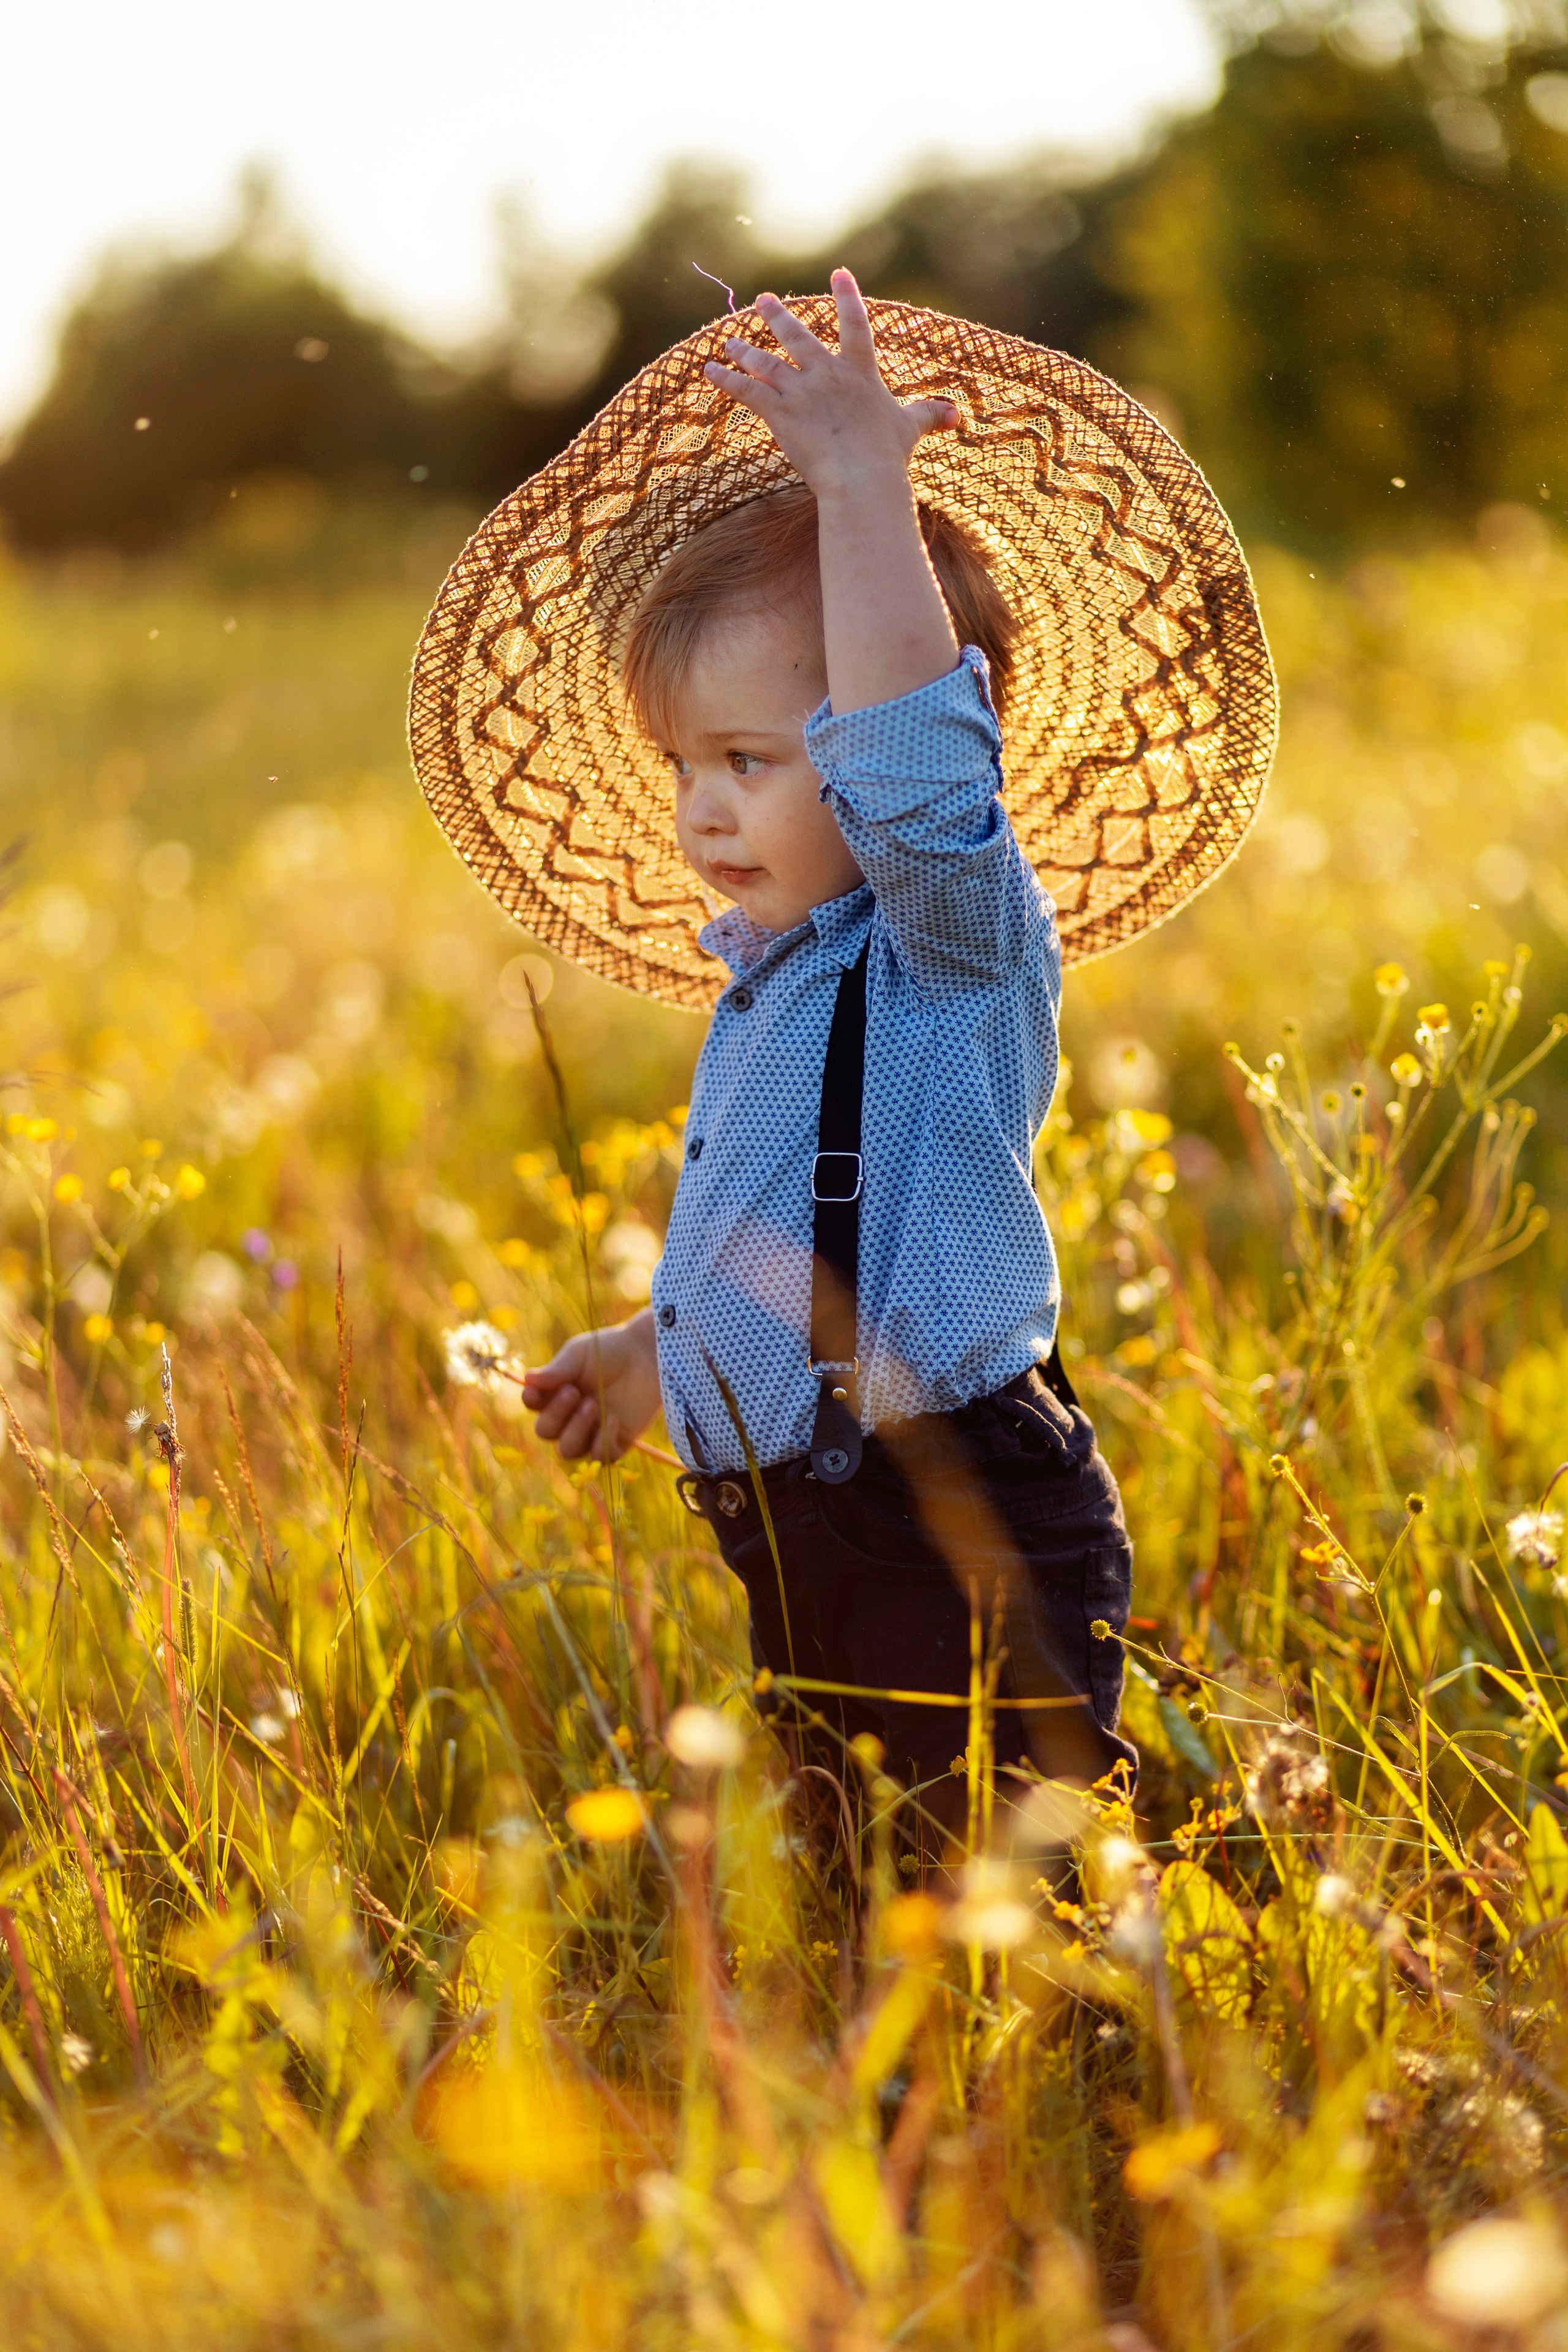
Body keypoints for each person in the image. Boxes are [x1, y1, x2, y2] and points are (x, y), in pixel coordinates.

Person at [407, 269, 1276, 1832]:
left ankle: (1108, 2012)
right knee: (860, 1860)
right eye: (685, 764)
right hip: (802, 1530)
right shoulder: (771, 985)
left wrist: (860, 485)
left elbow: (908, 764)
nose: (703, 808)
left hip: (960, 1513)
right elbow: (786, 1250)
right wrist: (648, 1357)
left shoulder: (952, 936)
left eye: (748, 759)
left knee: (1000, 1876)